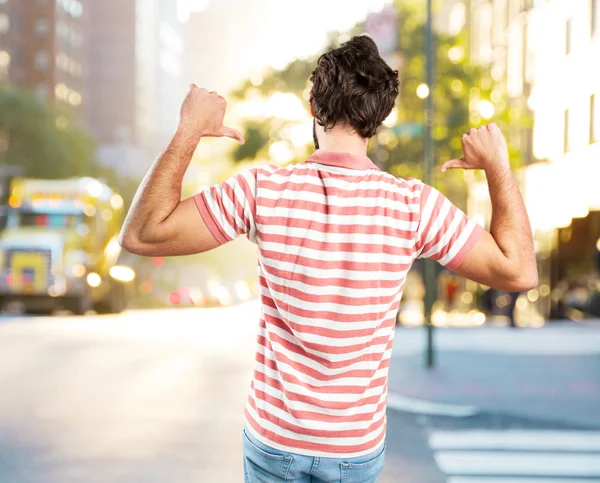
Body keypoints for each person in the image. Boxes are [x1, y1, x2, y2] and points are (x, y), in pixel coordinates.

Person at [119, 36, 537, 483]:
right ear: (379, 117)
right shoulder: (414, 206)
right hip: (353, 448)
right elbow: (520, 271)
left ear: (312, 103)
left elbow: (142, 234)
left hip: (275, 440)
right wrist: (497, 167)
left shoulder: (263, 190)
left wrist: (189, 130)